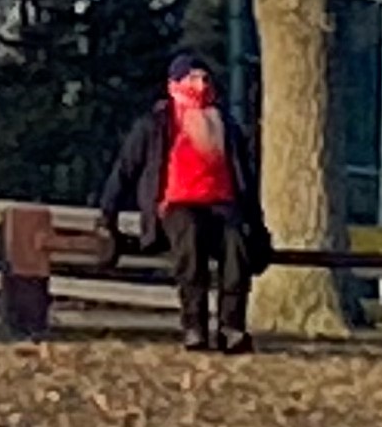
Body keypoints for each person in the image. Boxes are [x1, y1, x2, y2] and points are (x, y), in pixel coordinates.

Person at [98, 53, 268, 354]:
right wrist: (107, 215)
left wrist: (257, 225)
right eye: (192, 78)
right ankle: (194, 326)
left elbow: (245, 178)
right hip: (177, 204)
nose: (200, 85)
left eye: (204, 78)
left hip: (222, 204)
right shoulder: (156, 124)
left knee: (236, 248)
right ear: (174, 84)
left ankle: (231, 327)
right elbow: (125, 169)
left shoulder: (225, 126)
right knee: (190, 248)